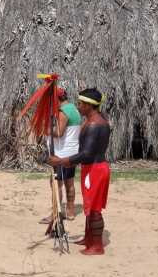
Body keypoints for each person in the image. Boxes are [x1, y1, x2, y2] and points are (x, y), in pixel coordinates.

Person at [48, 88, 111, 255]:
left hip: (95, 170)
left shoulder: (93, 125)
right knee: (90, 207)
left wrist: (61, 161)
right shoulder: (98, 120)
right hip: (92, 168)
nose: (79, 107)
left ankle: (96, 246)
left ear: (89, 106)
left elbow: (87, 153)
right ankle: (88, 238)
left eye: (81, 104)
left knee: (95, 208)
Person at [40, 87, 81, 223]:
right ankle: (70, 212)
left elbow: (59, 132)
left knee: (56, 183)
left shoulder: (63, 112)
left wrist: (44, 129)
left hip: (61, 154)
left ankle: (55, 214)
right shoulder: (74, 109)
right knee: (69, 182)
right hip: (72, 152)